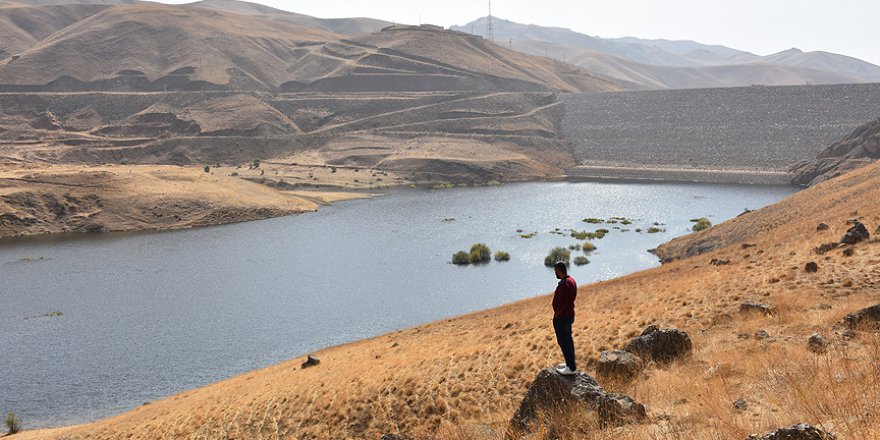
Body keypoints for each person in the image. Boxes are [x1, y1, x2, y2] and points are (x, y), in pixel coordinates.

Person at [552, 261, 577, 375]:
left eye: (555, 271)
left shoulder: (564, 284)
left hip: (562, 318)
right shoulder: (571, 280)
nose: (555, 274)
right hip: (569, 315)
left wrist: (556, 315)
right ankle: (570, 364)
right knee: (568, 341)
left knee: (564, 342)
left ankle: (570, 368)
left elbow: (562, 303)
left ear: (559, 271)